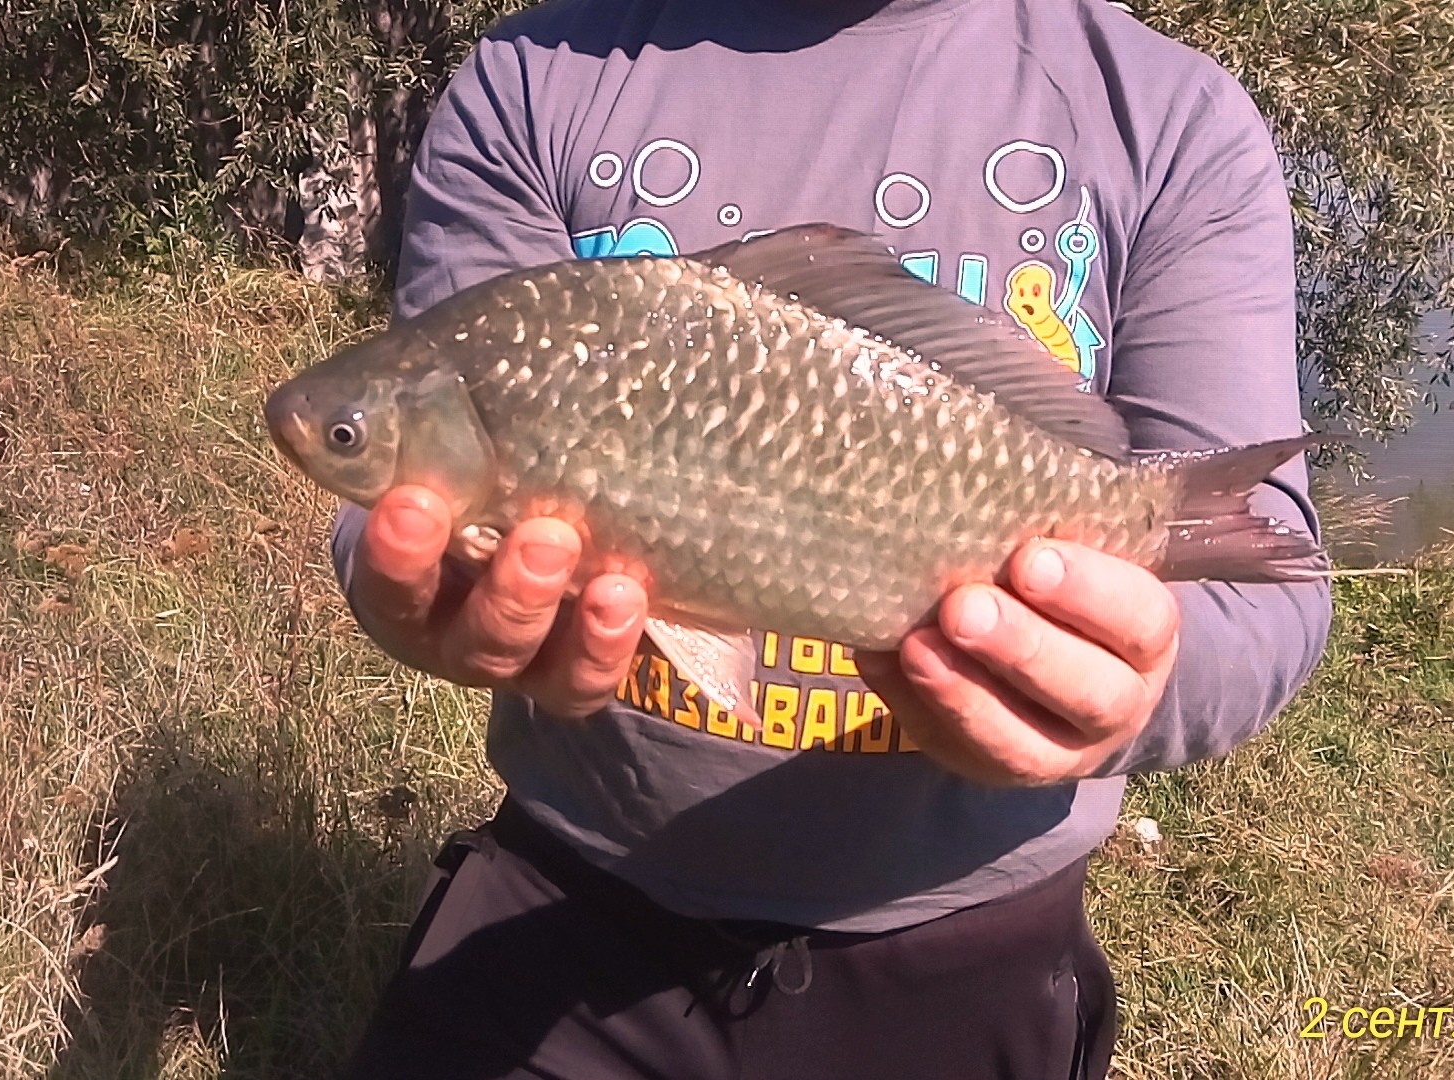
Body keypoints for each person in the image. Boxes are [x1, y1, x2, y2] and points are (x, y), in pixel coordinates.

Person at [332, 0, 1332, 1075]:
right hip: (568, 900)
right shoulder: (536, 74)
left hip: (968, 941)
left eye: (346, 439)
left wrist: (1131, 688)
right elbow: (398, 522)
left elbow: (1264, 592)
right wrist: (414, 592)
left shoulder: (1170, 118)